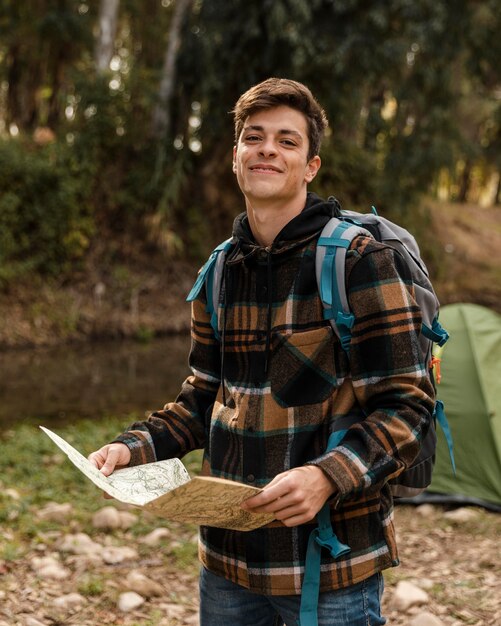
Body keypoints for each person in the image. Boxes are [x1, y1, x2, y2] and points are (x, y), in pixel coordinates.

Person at [89, 77, 435, 626]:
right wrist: (133, 448)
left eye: (287, 140)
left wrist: (327, 475)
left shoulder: (362, 263)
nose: (267, 148)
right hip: (227, 565)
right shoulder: (220, 271)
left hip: (330, 564)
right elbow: (203, 397)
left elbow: (408, 409)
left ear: (311, 166)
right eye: (254, 137)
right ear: (235, 157)